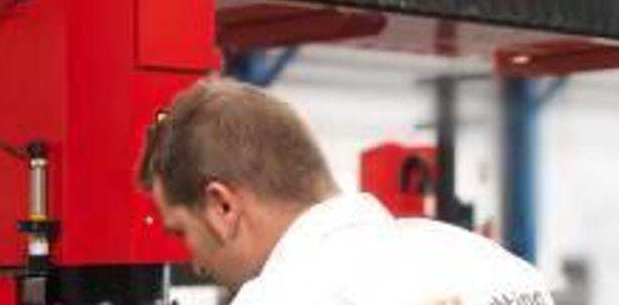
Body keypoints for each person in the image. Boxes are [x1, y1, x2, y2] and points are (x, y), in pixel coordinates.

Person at [138, 78, 555, 305]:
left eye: (180, 231)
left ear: (222, 206)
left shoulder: (283, 297)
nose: (195, 262)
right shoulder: (500, 268)